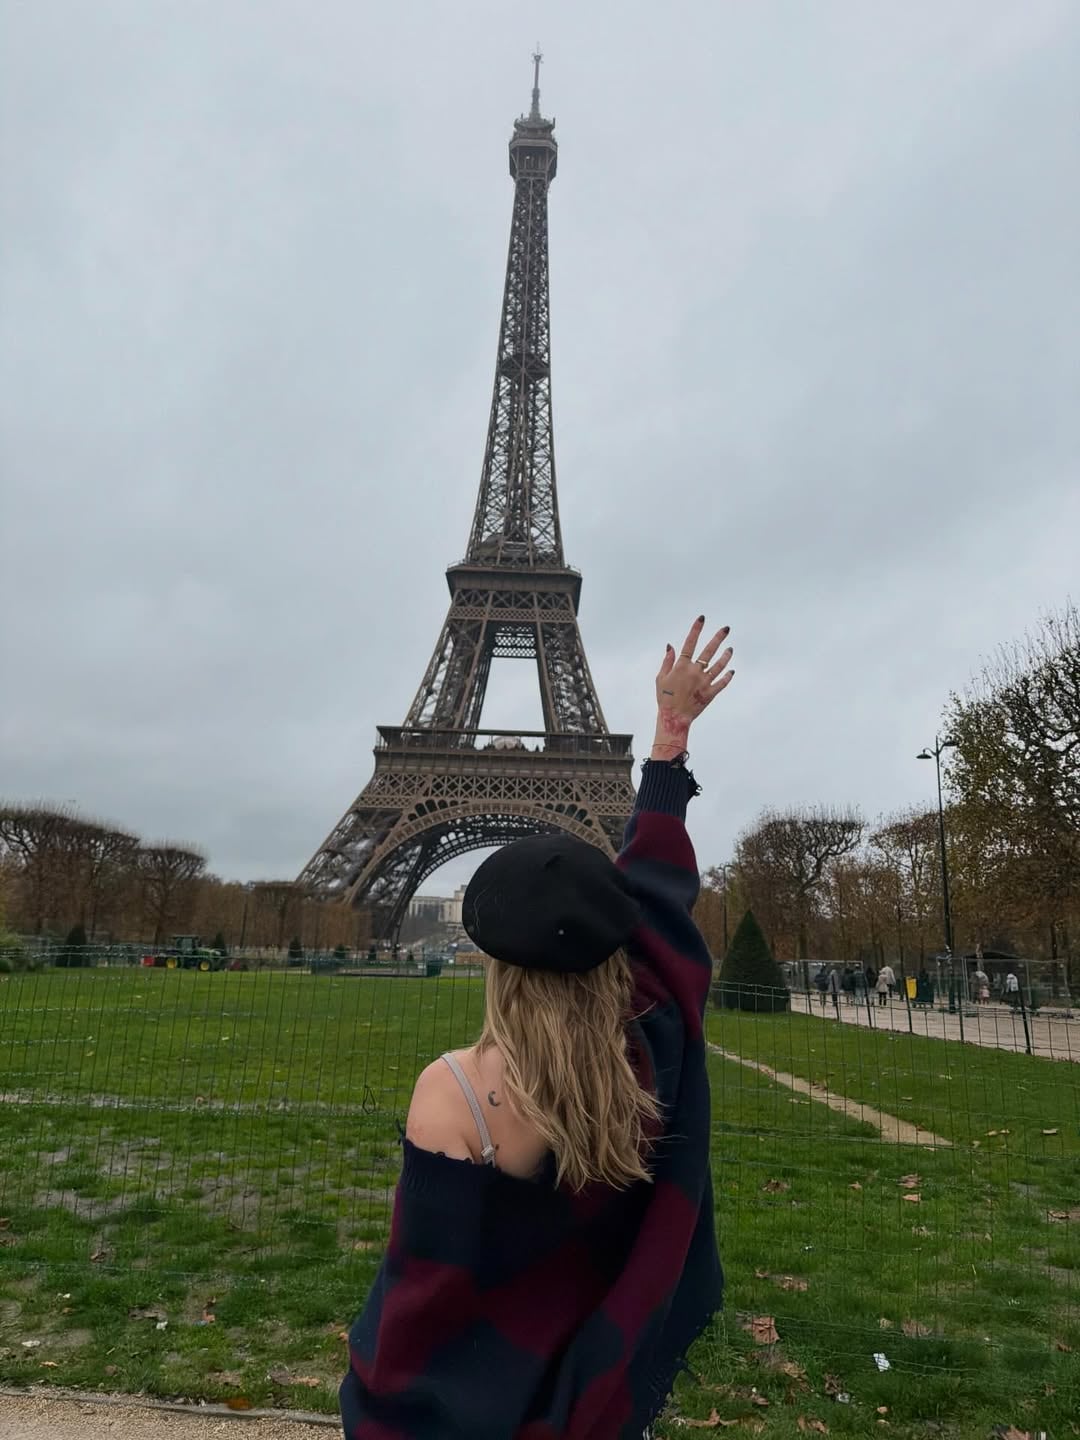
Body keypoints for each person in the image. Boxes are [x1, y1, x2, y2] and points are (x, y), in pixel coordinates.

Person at [340, 618, 733, 1440]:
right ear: (610, 945)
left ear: (493, 952)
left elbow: (426, 1300)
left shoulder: (453, 1093)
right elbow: (658, 898)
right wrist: (669, 746)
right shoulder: (647, 1044)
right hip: (599, 1396)